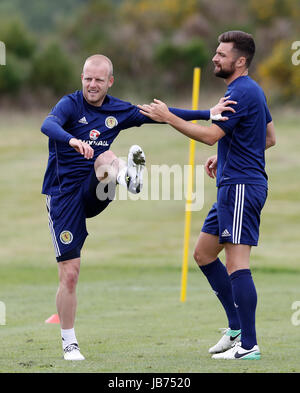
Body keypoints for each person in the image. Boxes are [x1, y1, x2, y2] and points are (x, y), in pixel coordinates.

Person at [41, 54, 235, 361]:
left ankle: (126, 176)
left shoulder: (118, 109)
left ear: (110, 82)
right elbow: (47, 124)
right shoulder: (69, 105)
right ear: (82, 78)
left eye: (99, 80)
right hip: (63, 197)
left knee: (105, 157)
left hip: (96, 189)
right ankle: (69, 343)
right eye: (87, 78)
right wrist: (71, 141)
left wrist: (207, 112)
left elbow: (160, 114)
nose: (92, 85)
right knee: (70, 274)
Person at [138, 31, 276, 360]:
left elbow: (211, 135)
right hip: (231, 185)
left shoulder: (241, 92)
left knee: (237, 263)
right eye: (216, 52)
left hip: (242, 187)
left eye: (221, 54)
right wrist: (228, 155)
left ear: (240, 61)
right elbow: (268, 137)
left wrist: (169, 117)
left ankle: (250, 346)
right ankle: (236, 329)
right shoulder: (246, 89)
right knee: (203, 253)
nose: (215, 57)